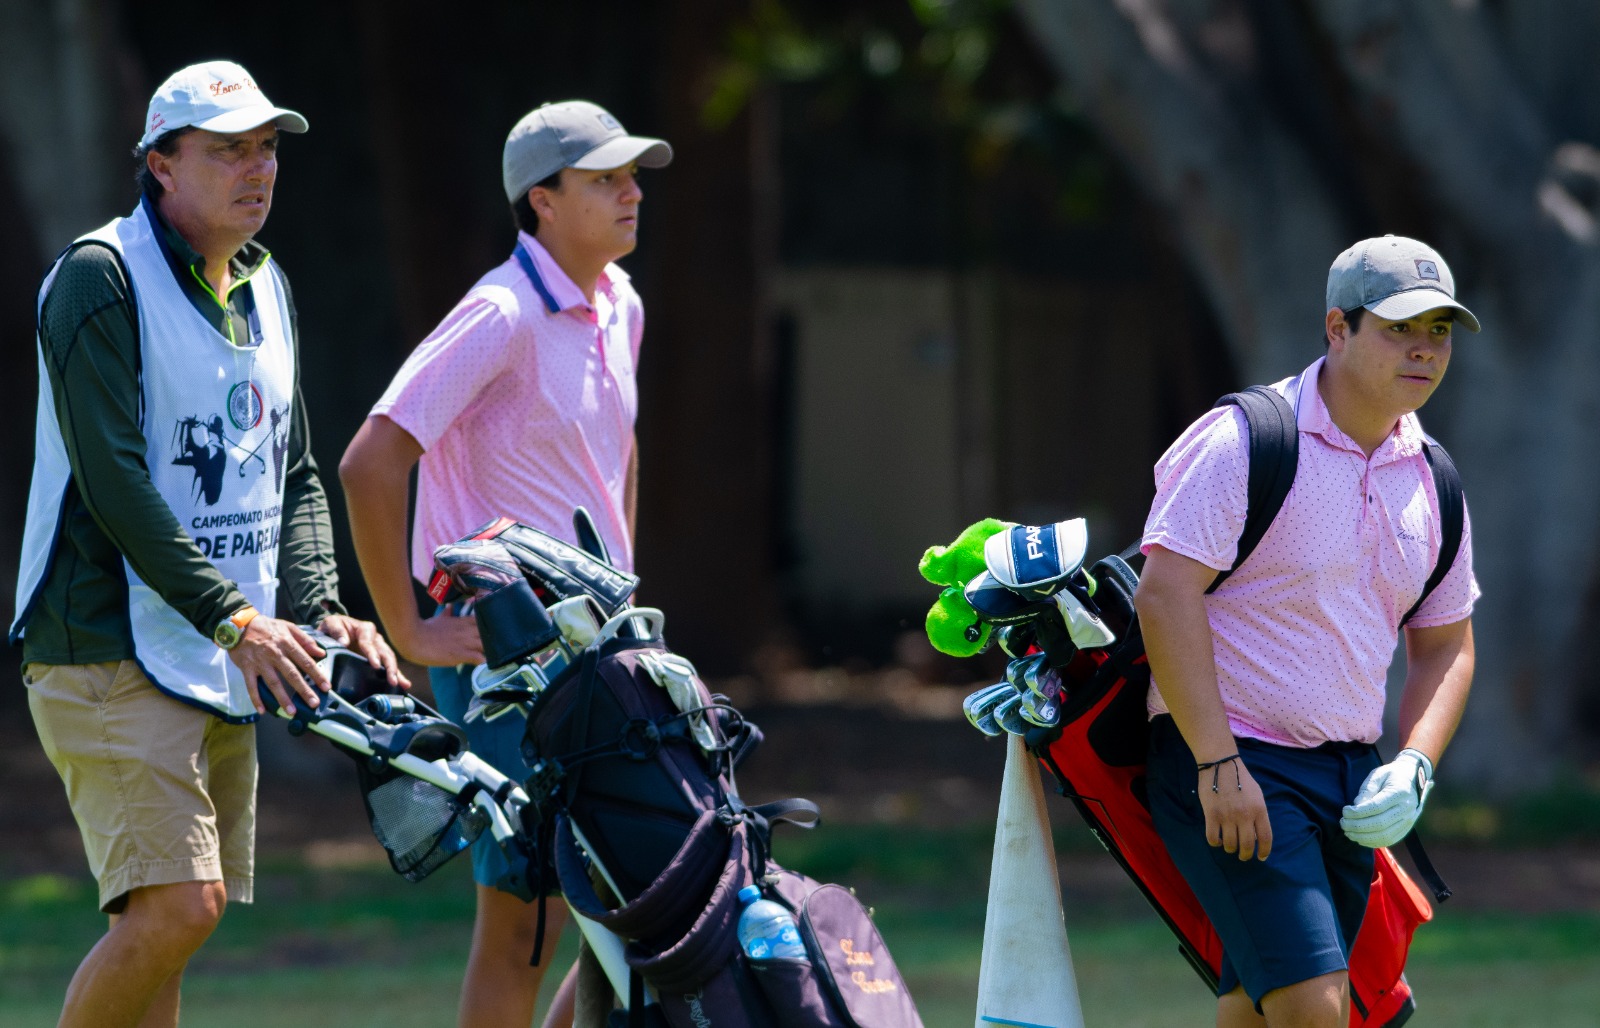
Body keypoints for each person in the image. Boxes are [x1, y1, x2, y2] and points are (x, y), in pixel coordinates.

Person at [13, 61, 404, 1028]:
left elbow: (295, 471)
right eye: (228, 149)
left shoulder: (269, 287)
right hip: (103, 641)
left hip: (216, 650)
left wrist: (317, 605)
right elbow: (114, 483)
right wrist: (235, 618)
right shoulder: (96, 281)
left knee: (173, 929)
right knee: (182, 908)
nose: (258, 167)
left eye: (268, 147)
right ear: (160, 163)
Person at [340, 99, 670, 1028]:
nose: (632, 192)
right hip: (508, 670)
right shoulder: (502, 312)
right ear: (543, 199)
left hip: (599, 654)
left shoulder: (622, 305)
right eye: (606, 178)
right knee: (523, 921)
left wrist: (624, 603)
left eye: (632, 174)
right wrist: (407, 629)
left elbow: (621, 455)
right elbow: (371, 462)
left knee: (627, 896)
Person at [1133, 235, 1480, 1028]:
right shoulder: (1247, 439)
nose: (1424, 350)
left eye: (1439, 331)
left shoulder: (1434, 477)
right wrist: (1219, 765)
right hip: (1231, 762)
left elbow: (1446, 644)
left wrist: (1416, 764)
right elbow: (1166, 595)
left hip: (1350, 780)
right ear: (1337, 328)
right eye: (1400, 328)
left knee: (1255, 1012)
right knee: (1318, 1013)